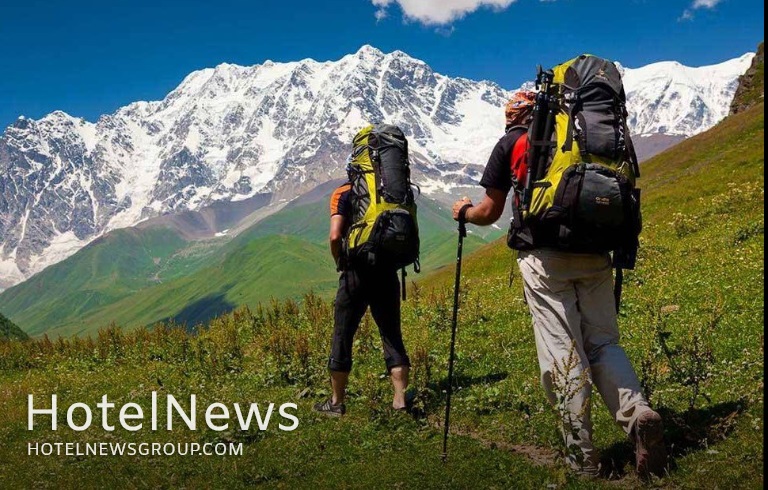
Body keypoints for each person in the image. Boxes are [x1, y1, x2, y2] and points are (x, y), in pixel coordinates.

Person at [451, 91, 668, 479]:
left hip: (545, 258)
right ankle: (639, 415)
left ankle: (582, 459)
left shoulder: (514, 142)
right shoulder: (587, 139)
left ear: (513, 116)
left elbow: (490, 211)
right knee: (604, 343)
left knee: (563, 353)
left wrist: (464, 212)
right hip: (597, 254)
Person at [313, 171, 411, 416]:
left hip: (355, 272)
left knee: (342, 335)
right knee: (391, 335)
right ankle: (400, 401)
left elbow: (335, 235)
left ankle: (336, 403)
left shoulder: (343, 192)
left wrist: (340, 260)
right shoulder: (391, 193)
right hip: (387, 272)